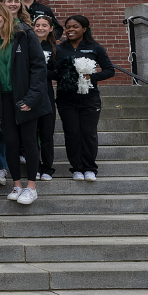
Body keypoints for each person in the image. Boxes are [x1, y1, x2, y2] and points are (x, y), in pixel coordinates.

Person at [0, 1, 51, 206]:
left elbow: (39, 69)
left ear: (7, 16)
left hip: (25, 98)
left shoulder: (25, 35)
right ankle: (16, 185)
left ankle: (31, 187)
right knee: (11, 143)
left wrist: (31, 98)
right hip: (3, 100)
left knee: (29, 141)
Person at [54, 15, 115, 182]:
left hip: (90, 98)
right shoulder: (60, 48)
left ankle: (89, 168)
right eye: (68, 27)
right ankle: (76, 169)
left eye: (75, 27)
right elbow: (52, 71)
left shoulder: (95, 48)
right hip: (66, 99)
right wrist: (62, 75)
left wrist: (91, 77)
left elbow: (110, 70)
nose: (70, 30)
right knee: (72, 133)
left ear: (84, 29)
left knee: (88, 133)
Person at [32, 14, 59, 181]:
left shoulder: (56, 49)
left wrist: (41, 71)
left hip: (47, 94)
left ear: (50, 29)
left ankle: (47, 168)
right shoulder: (28, 45)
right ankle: (34, 166)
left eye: (44, 25)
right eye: (37, 25)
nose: (40, 28)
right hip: (30, 95)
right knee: (31, 134)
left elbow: (57, 73)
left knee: (46, 133)